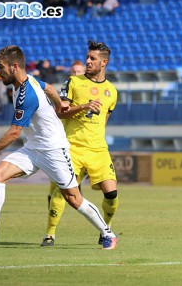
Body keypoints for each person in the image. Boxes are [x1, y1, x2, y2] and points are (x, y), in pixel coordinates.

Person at [0, 45, 118, 250]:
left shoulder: (27, 95)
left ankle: (108, 234)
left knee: (73, 198)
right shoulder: (29, 81)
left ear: (14, 66)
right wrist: (59, 104)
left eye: (0, 67)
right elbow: (48, 87)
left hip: (54, 149)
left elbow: (14, 132)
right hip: (34, 147)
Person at [41, 41, 119, 247]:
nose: (88, 61)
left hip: (98, 150)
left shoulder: (112, 91)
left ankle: (105, 230)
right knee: (63, 192)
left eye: (92, 58)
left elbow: (104, 121)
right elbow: (60, 111)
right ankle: (50, 234)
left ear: (104, 62)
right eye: (87, 57)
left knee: (111, 194)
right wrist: (83, 106)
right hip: (72, 147)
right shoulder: (73, 83)